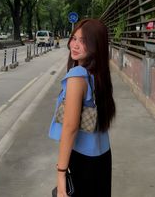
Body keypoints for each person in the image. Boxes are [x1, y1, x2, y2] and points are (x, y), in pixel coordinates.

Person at [49, 18, 116, 197]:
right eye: (74, 38)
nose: (75, 45)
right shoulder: (100, 75)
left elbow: (70, 128)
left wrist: (61, 173)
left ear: (96, 46)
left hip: (82, 160)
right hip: (103, 156)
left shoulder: (77, 76)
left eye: (84, 41)